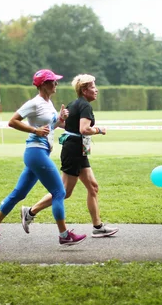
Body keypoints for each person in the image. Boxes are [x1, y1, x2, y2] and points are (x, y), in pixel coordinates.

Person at [0, 69, 86, 250]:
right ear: (43, 84)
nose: (56, 84)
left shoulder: (48, 103)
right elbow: (12, 121)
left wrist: (61, 119)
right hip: (36, 152)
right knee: (60, 192)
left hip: (40, 153)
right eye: (53, 81)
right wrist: (35, 131)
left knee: (19, 194)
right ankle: (64, 235)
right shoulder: (34, 103)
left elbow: (50, 126)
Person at [21, 74, 118, 237]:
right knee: (64, 191)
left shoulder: (75, 104)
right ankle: (30, 212)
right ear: (84, 90)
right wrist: (99, 130)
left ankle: (98, 226)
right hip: (74, 151)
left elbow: (66, 125)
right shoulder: (84, 106)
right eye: (93, 87)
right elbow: (84, 129)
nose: (96, 90)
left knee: (93, 187)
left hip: (78, 150)